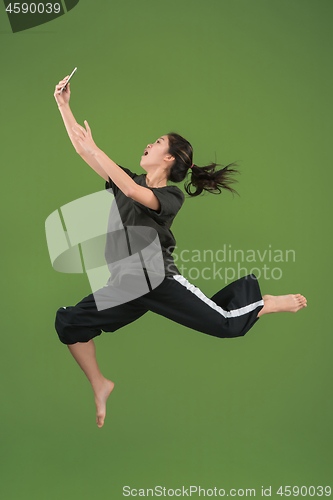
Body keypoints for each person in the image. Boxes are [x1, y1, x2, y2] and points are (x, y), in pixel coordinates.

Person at [53, 75, 307, 428]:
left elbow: (127, 187)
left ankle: (265, 302)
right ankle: (100, 384)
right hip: (125, 284)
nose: (148, 144)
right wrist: (63, 105)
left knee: (227, 326)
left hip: (157, 278)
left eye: (157, 142)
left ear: (169, 157)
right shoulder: (126, 180)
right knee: (69, 323)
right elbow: (84, 150)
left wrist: (97, 149)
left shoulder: (171, 197)